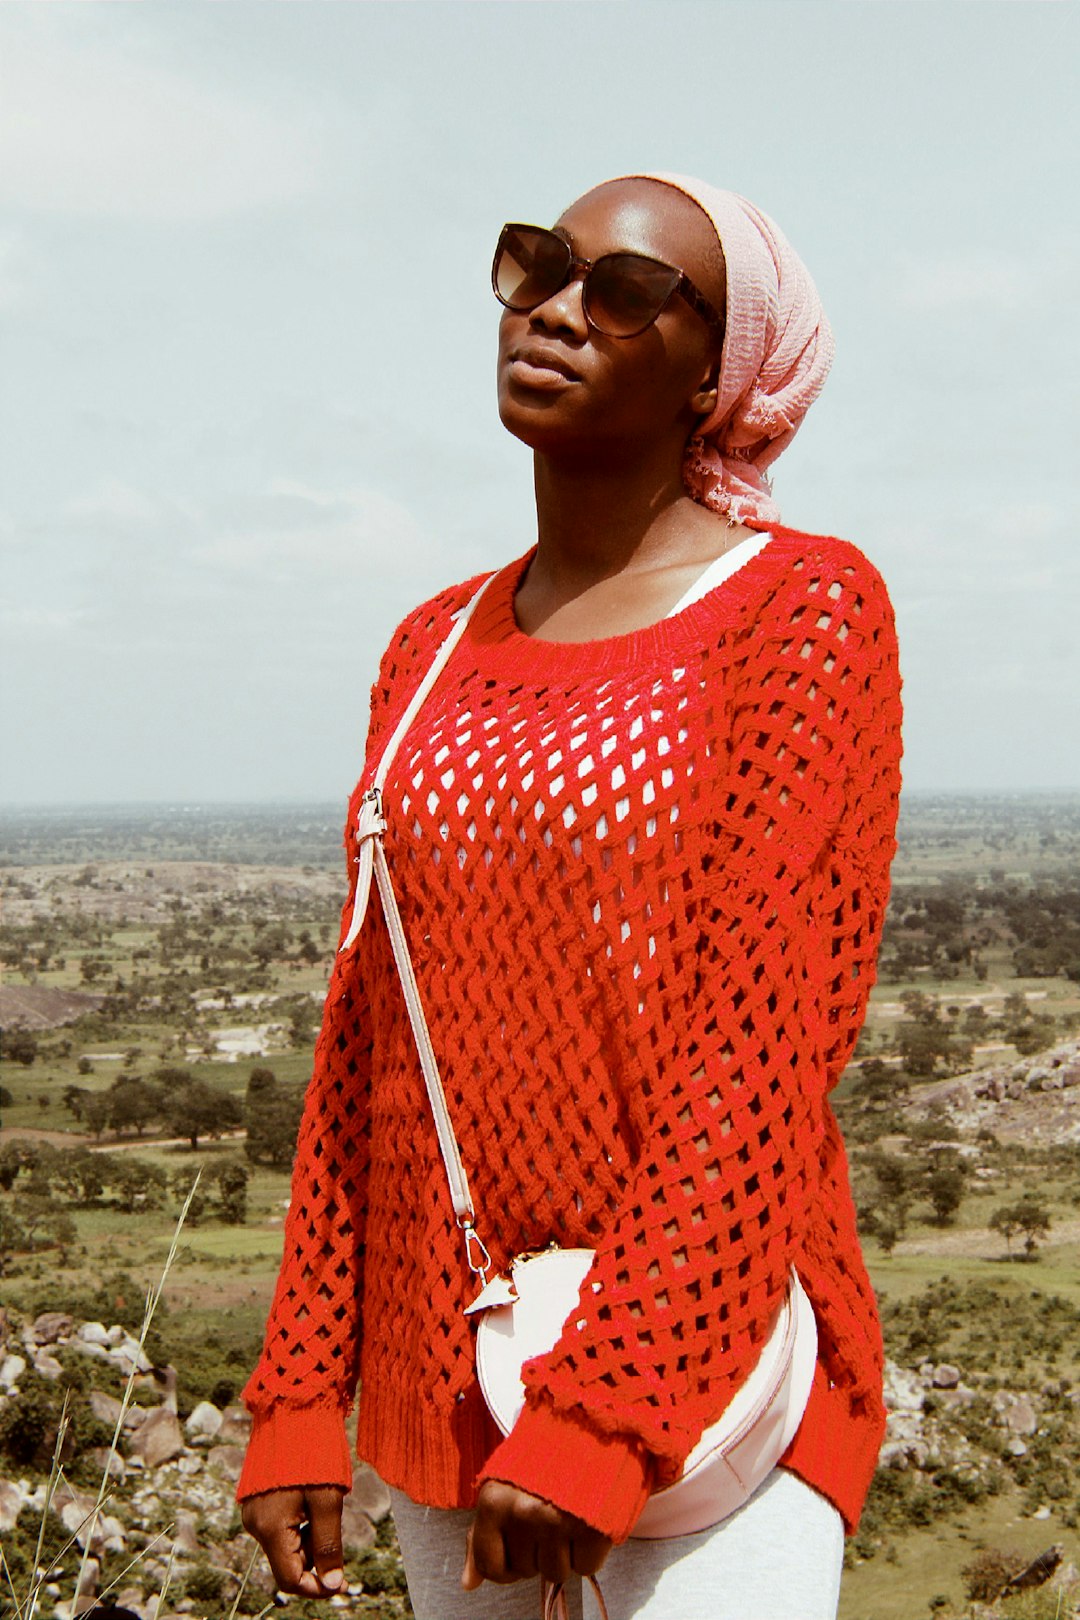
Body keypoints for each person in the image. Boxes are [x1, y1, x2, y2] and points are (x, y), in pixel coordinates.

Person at [236, 172, 903, 1620]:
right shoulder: (430, 645)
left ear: (718, 377)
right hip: (450, 1389)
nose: (554, 309)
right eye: (538, 267)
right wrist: (300, 1390)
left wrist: (603, 1417)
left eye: (622, 290)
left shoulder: (802, 614)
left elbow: (764, 1048)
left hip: (702, 1391)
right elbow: (368, 1040)